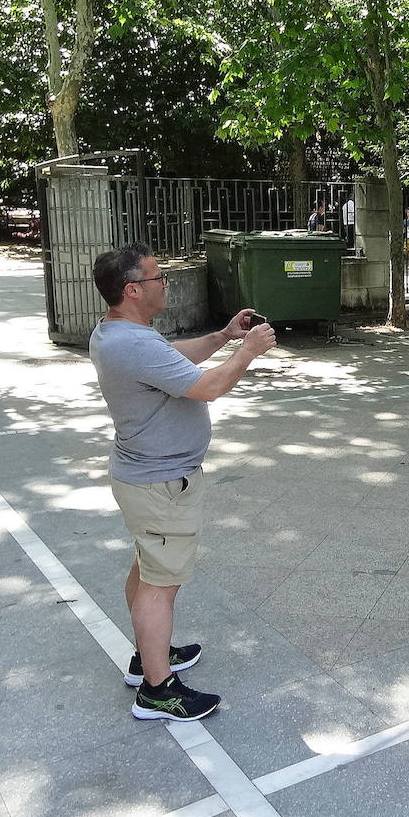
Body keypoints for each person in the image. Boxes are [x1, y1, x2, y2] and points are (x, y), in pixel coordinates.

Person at [89, 242, 277, 721]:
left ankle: (148, 657)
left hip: (146, 479)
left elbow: (171, 357)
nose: (165, 282)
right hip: (161, 484)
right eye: (157, 278)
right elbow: (209, 387)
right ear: (133, 290)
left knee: (148, 569)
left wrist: (224, 337)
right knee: (160, 585)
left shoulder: (122, 333)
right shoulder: (131, 342)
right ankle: (157, 690)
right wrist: (249, 352)